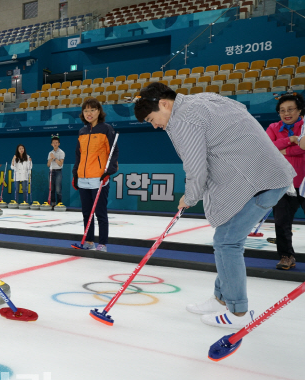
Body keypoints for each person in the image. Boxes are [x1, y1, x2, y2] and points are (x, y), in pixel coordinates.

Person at [134, 82, 294, 330]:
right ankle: (221, 298)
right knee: (225, 238)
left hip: (260, 181)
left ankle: (238, 311)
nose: (154, 125)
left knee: (227, 243)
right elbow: (238, 112)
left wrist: (190, 196)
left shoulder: (183, 119)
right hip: (262, 176)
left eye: (151, 118)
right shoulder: (202, 100)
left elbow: (196, 167)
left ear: (164, 104)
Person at [72, 98, 118, 252]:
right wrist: (75, 175)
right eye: (86, 110)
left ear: (99, 111)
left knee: (100, 213)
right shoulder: (82, 131)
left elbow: (113, 153)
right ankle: (89, 241)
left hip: (99, 178)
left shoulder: (106, 129)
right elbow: (78, 155)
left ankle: (102, 244)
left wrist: (108, 172)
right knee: (87, 213)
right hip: (83, 178)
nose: (89, 113)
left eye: (92, 110)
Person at [265, 93, 305, 270]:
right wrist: (290, 140)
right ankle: (286, 256)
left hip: (303, 182)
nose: (286, 113)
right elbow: (266, 147)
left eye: (290, 109)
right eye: (282, 110)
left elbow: (303, 149)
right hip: (281, 183)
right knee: (281, 222)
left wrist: (284, 151)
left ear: (300, 110)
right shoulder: (273, 127)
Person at [47, 134, 65, 205]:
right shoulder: (50, 153)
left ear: (59, 144)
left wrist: (54, 158)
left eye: (56, 142)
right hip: (51, 172)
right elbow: (48, 165)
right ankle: (53, 204)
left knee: (58, 190)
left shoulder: (61, 152)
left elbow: (60, 163)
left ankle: (59, 203)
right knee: (51, 189)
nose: (55, 144)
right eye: (53, 143)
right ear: (51, 144)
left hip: (58, 172)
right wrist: (50, 159)